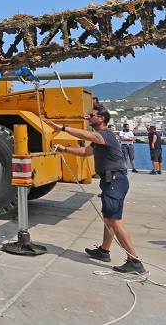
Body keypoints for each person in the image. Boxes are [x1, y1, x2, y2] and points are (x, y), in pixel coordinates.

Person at [45, 104, 146, 274]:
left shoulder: (105, 134)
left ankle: (134, 261)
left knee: (114, 220)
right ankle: (104, 251)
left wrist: (62, 127)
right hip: (111, 181)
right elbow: (86, 151)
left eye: (91, 115)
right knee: (109, 218)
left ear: (101, 118)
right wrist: (65, 149)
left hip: (114, 180)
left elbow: (85, 135)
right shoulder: (99, 140)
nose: (88, 117)